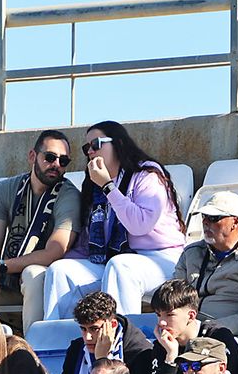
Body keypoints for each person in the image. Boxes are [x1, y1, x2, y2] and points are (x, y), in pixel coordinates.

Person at [42, 121, 186, 319]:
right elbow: (88, 242)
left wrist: (108, 187)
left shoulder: (147, 175)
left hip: (163, 259)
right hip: (114, 260)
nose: (90, 151)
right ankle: (62, 344)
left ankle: (120, 342)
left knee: (121, 267)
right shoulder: (95, 185)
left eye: (96, 144)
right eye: (86, 148)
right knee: (61, 271)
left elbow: (139, 225)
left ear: (118, 143)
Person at [0, 130, 81, 331]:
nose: (56, 165)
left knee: (33, 273)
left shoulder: (69, 196)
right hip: (7, 278)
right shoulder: (6, 189)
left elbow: (55, 251)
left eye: (63, 161)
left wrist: (0, 266)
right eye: (50, 157)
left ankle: (35, 349)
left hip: (40, 283)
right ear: (32, 156)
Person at [169, 190, 238, 339]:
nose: (205, 222)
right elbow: (171, 298)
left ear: (236, 222)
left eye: (214, 218)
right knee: (130, 325)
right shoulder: (191, 252)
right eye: (204, 216)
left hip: (227, 335)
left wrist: (205, 329)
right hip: (183, 329)